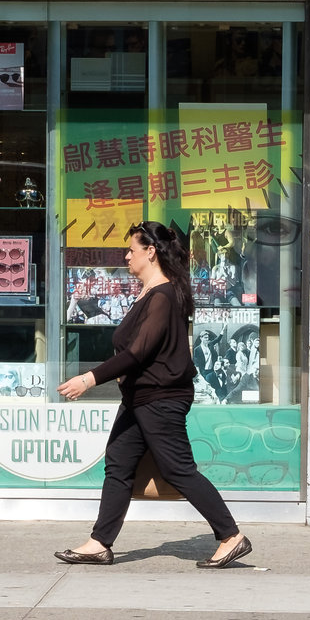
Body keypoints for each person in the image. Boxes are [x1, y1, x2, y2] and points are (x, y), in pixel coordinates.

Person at [54, 221, 249, 569]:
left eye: (131, 249)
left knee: (179, 470)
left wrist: (89, 379)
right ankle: (100, 542)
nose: (126, 256)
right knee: (118, 464)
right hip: (139, 398)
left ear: (150, 251)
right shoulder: (148, 293)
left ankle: (231, 536)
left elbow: (137, 353)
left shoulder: (163, 296)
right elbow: (136, 353)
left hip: (160, 399)